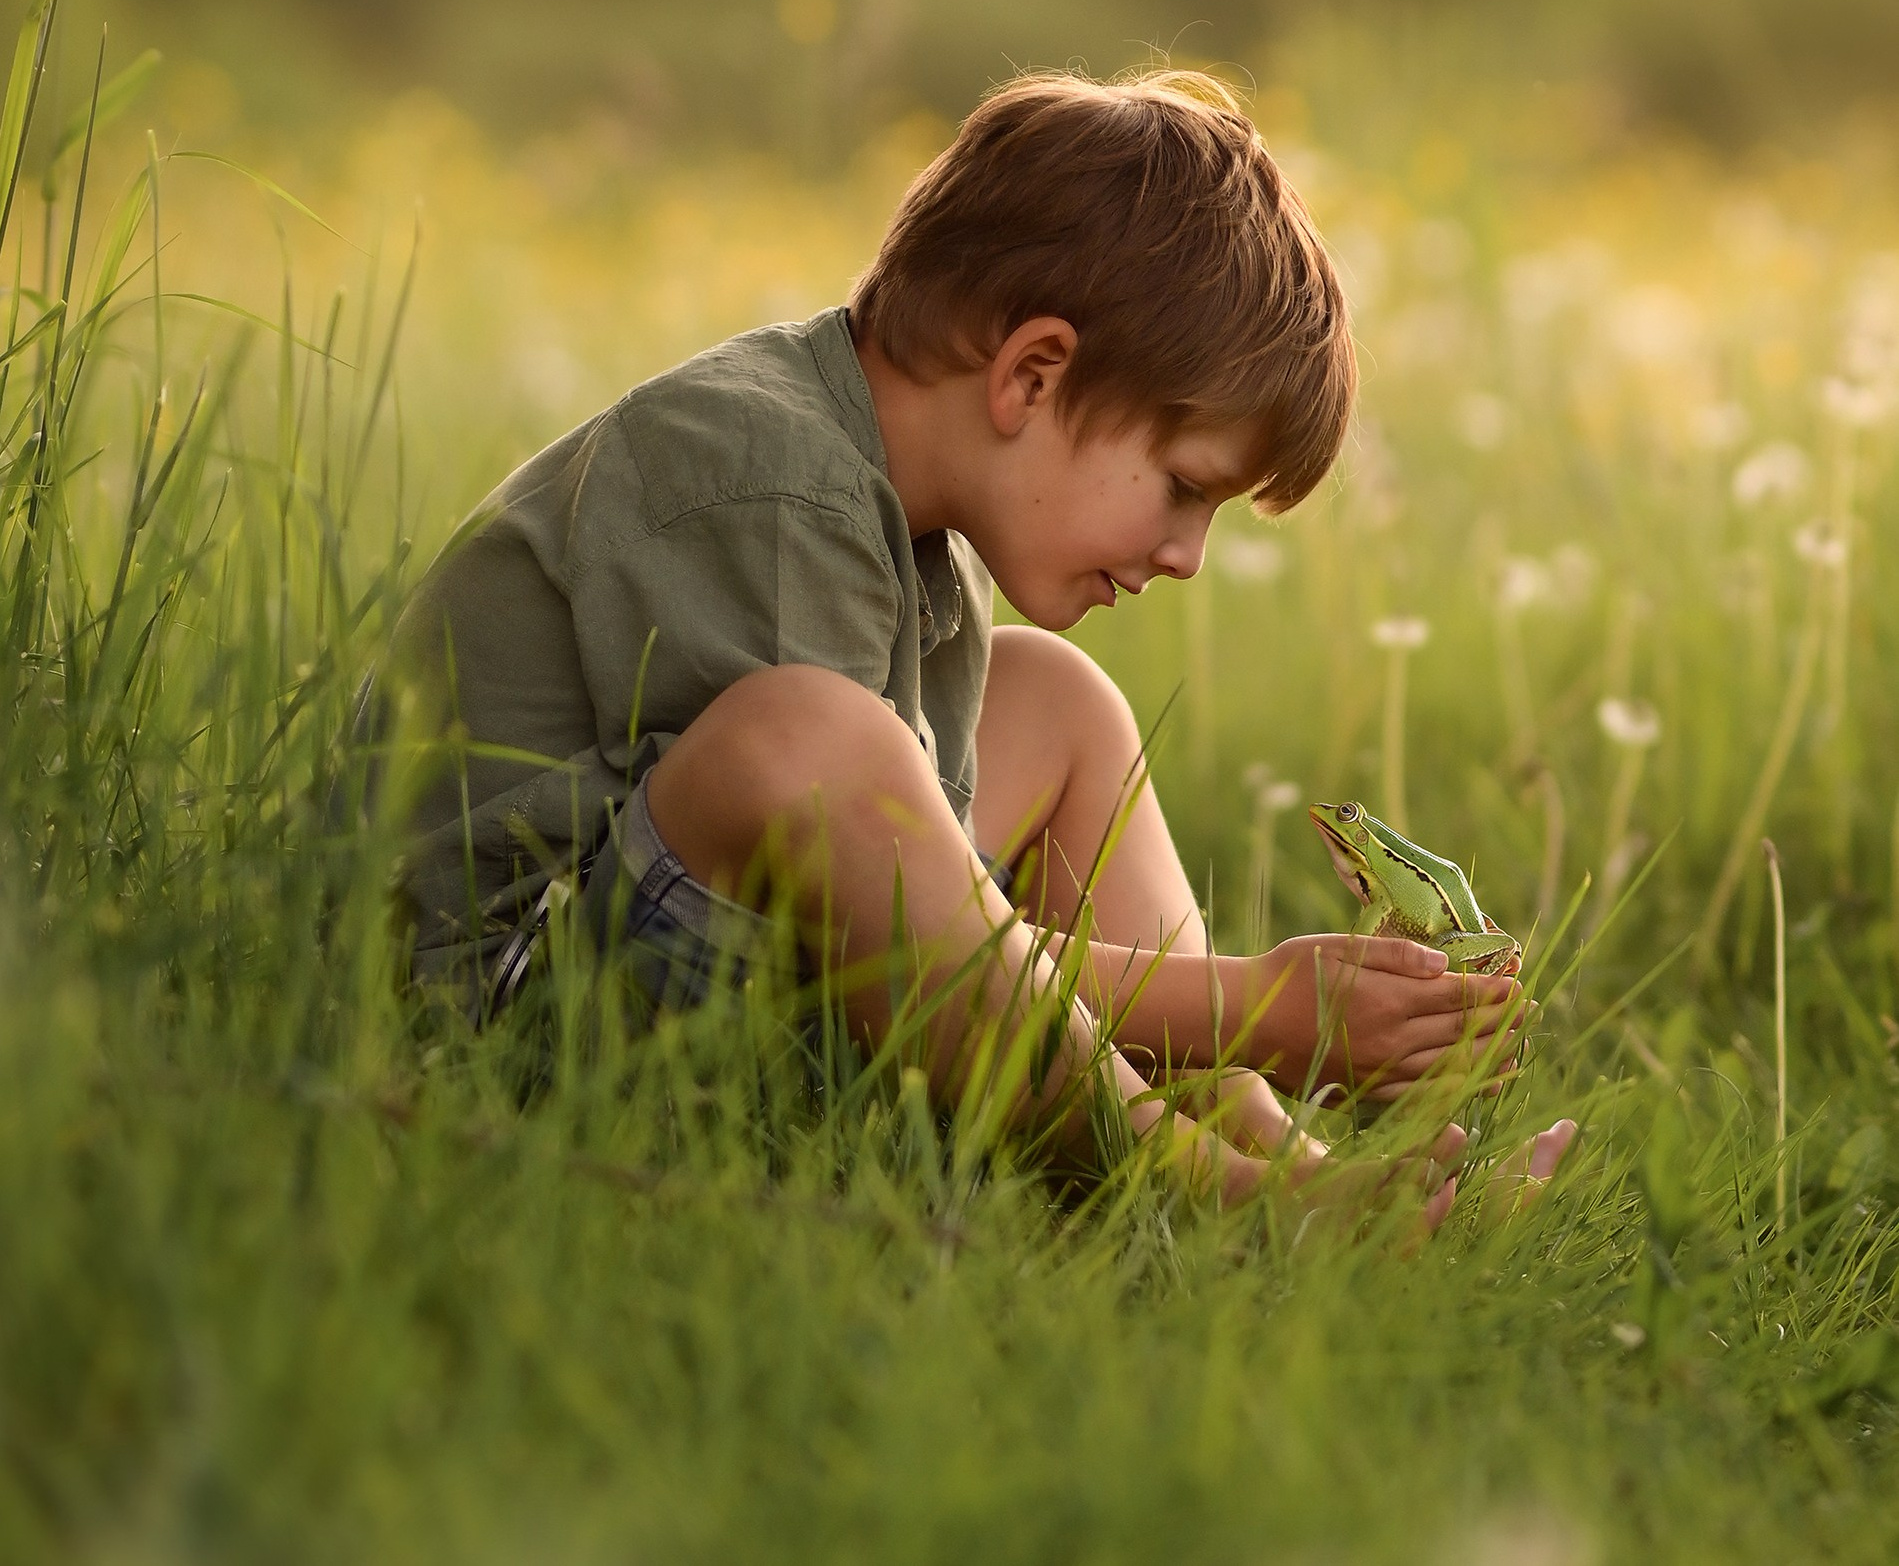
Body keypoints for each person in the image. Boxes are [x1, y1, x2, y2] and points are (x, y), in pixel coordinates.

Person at [376, 68, 1574, 1219]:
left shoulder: (914, 531)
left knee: (1056, 702)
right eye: (1182, 488)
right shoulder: (762, 476)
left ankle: (1281, 1161)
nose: (1185, 556)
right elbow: (843, 922)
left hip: (677, 957)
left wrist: (1245, 1023)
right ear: (1033, 373)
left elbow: (914, 912)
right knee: (818, 742)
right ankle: (1225, 1205)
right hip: (498, 1033)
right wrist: (1250, 1004)